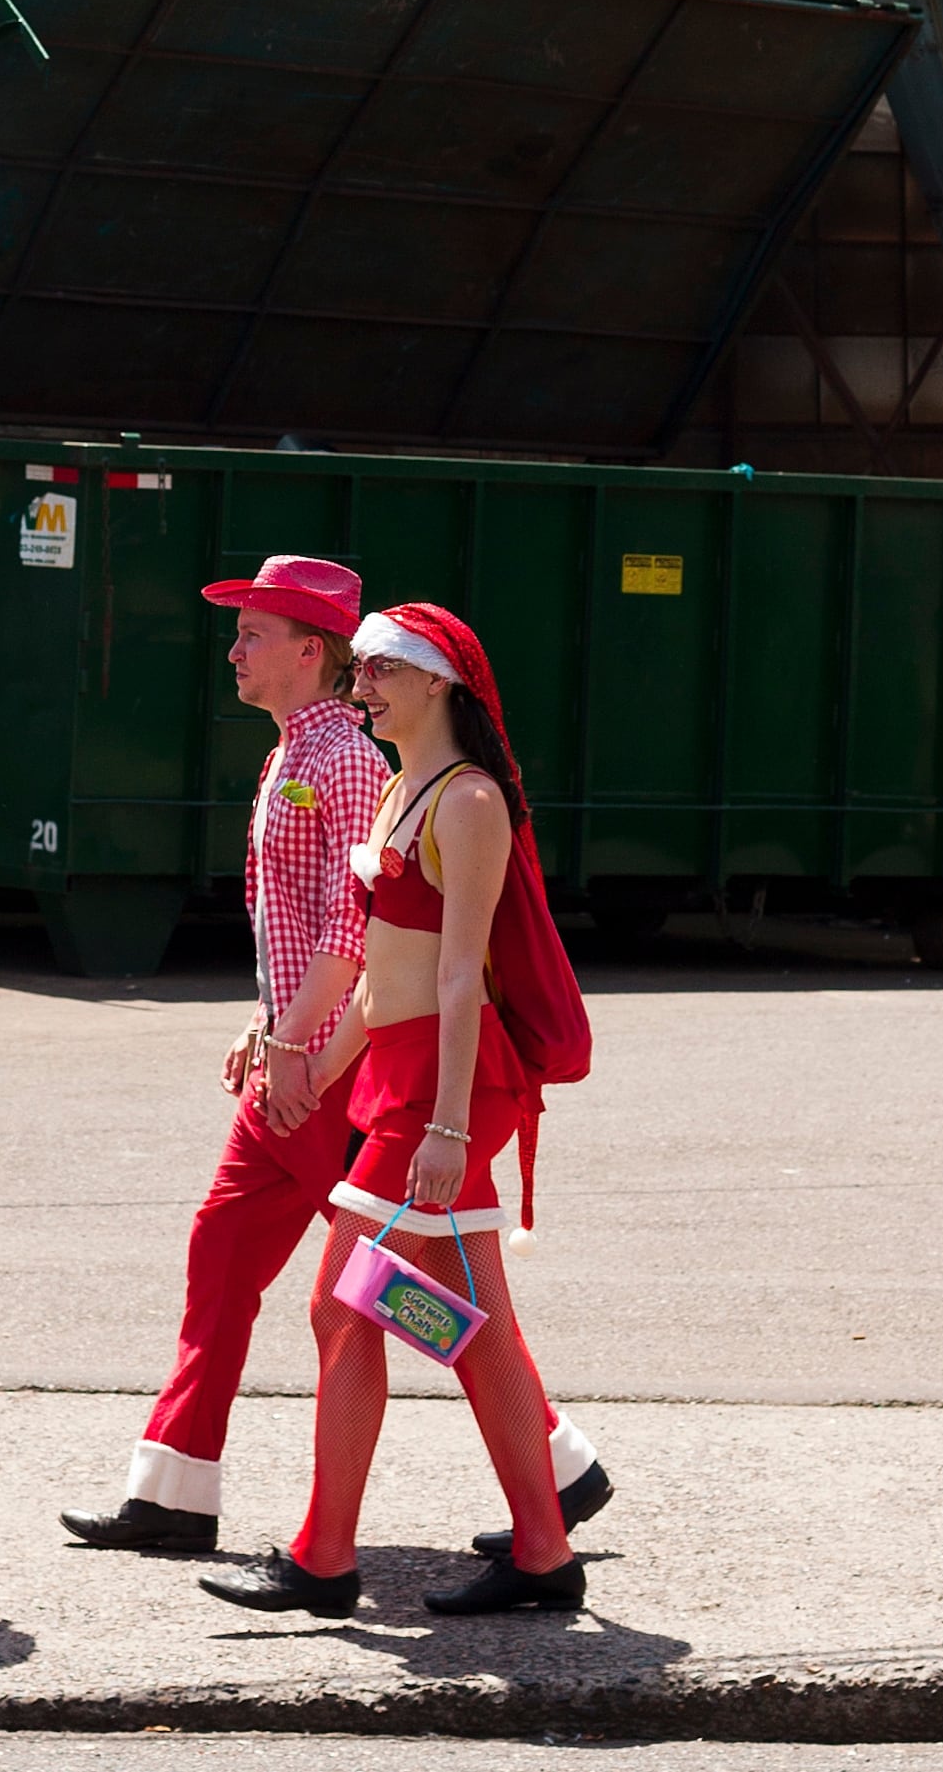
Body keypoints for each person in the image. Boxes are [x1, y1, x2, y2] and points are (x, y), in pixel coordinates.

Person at [61, 559, 611, 1561]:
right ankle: (178, 1485)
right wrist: (269, 1026)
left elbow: (365, 936)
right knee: (234, 1257)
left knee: (379, 1297)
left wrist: (310, 1056)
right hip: (317, 1062)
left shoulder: (366, 768)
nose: (233, 650)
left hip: (359, 1078)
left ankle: (522, 1480)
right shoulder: (317, 759)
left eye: (253, 633)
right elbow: (324, 929)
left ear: (308, 649)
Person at [200, 602, 595, 1620]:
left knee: (342, 1304)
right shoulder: (398, 791)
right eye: (362, 667)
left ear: (437, 683)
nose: (362, 683)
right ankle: (543, 1549)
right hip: (401, 1083)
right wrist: (305, 1067)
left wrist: (450, 1127)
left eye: (381, 669)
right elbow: (379, 983)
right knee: (472, 1328)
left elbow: (459, 978)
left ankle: (324, 1559)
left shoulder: (468, 802)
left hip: (444, 1093)